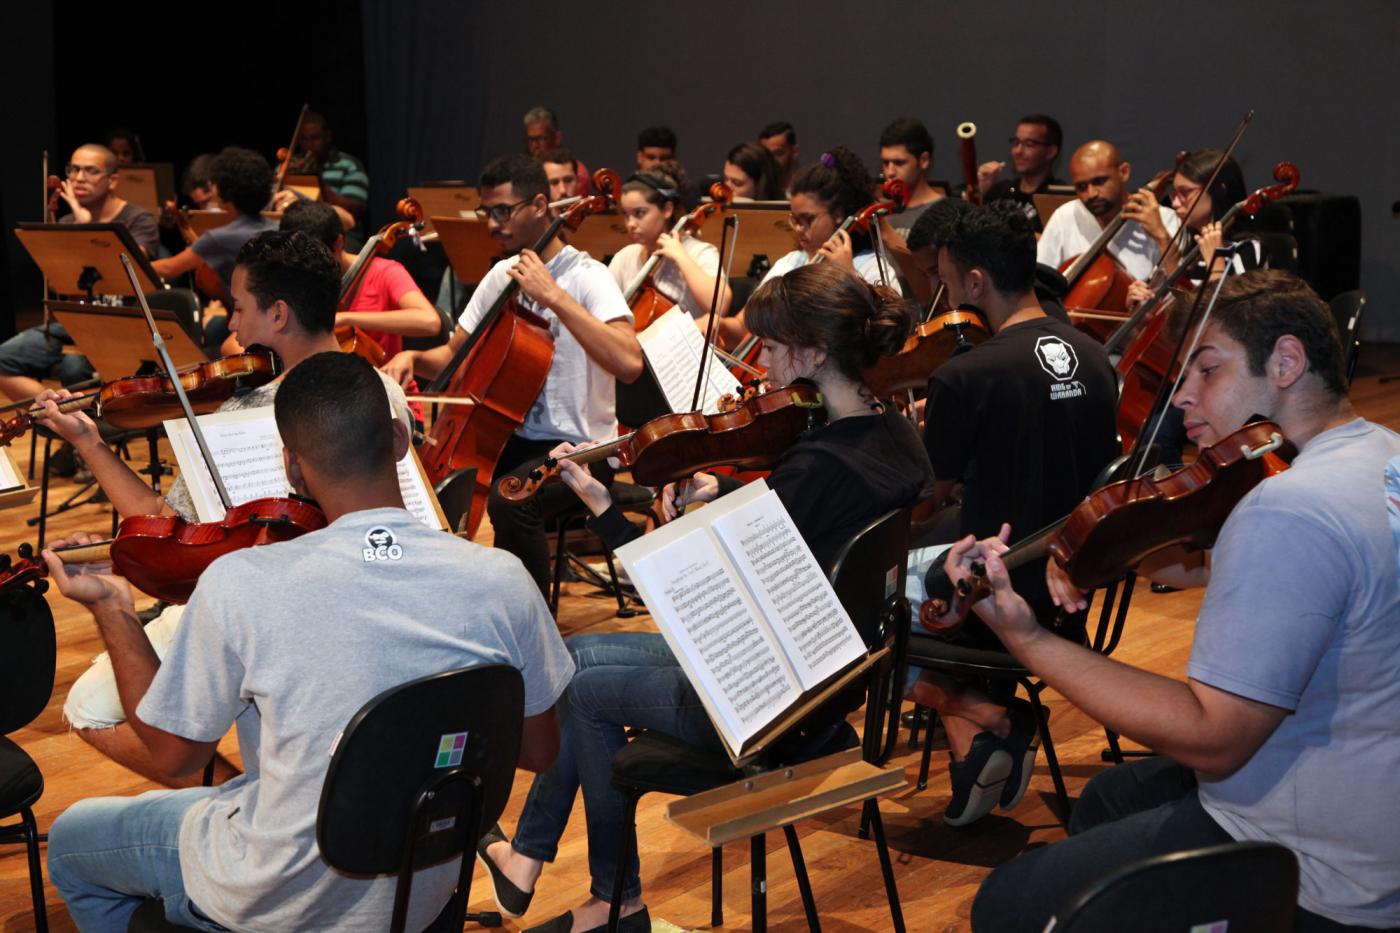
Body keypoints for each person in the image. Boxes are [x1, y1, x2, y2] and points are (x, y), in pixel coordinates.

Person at [43, 351, 574, 932]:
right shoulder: (502, 580)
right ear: (400, 439)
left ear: (292, 468)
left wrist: (113, 607)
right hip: (424, 888)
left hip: (280, 896)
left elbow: (174, 757)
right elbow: (539, 752)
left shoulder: (242, 583)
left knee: (72, 842)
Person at [477, 262, 935, 933]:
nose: (762, 364)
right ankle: (531, 860)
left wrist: (607, 507)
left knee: (583, 687)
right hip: (834, 669)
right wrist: (731, 499)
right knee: (578, 651)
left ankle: (614, 899)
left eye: (773, 348)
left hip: (775, 702)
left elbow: (694, 594)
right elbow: (810, 525)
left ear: (812, 353)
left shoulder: (814, 467)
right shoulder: (892, 434)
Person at [964, 269, 1400, 933]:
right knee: (1112, 795)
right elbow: (1322, 591)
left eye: (1206, 370)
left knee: (1009, 902)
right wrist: (1124, 552)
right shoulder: (1380, 452)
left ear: (1285, 361)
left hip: (1321, 871)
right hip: (1377, 809)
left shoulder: (1289, 508)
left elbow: (1213, 737)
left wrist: (1029, 639)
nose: (1183, 398)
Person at [35, 230, 415, 786]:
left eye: (239, 309)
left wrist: (91, 445)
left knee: (89, 706)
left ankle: (228, 799)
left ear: (279, 314)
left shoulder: (240, 412)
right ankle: (252, 794)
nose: (231, 327)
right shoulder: (380, 390)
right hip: (361, 600)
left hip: (252, 607)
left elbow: (163, 526)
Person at [910, 201, 1119, 826]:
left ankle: (984, 718)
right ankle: (976, 737)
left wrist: (912, 444)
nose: (947, 293)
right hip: (1074, 590)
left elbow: (922, 503)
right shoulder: (1095, 356)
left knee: (855, 595)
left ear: (976, 282)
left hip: (993, 595)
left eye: (948, 280)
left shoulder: (966, 375)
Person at [382, 154, 642, 599]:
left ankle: (530, 624)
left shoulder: (587, 277)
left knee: (510, 498)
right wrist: (412, 360)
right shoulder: (501, 275)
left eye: (504, 211)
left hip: (579, 446)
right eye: (488, 212)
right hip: (508, 438)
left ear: (540, 205)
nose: (492, 223)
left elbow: (630, 362)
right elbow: (455, 353)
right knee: (431, 489)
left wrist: (554, 297)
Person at [0, 143, 159, 405]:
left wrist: (86, 227)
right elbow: (55, 284)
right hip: (74, 324)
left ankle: (83, 429)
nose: (78, 177)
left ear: (112, 180)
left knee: (73, 367)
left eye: (90, 171)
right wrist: (54, 222)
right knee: (4, 359)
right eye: (73, 169)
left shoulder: (138, 220)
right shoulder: (66, 222)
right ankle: (67, 414)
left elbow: (131, 273)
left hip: (121, 326)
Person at [1036, 140, 1179, 282]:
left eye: (1099, 181)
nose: (1091, 193)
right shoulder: (1065, 216)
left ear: (1124, 172)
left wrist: (1161, 236)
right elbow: (1038, 279)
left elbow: (1183, 291)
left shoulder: (1164, 219)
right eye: (1082, 186)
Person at [151, 146, 278, 306]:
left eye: (214, 184)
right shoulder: (277, 226)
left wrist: (123, 265)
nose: (212, 186)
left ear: (225, 190)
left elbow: (169, 268)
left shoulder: (219, 238)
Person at [608, 163, 730, 323]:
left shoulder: (699, 253)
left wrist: (681, 257)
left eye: (639, 213)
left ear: (667, 209)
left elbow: (720, 305)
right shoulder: (624, 257)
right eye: (626, 215)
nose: (630, 224)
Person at [977, 114, 1065, 231]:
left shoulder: (1059, 198)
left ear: (1050, 152)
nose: (1018, 151)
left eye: (1029, 144)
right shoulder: (1000, 192)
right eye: (1016, 142)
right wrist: (980, 192)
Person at [290, 111, 369, 228]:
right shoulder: (290, 165)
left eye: (315, 138)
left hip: (341, 232)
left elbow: (355, 210)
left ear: (328, 137)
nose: (309, 145)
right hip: (296, 230)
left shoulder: (349, 165)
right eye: (304, 139)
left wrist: (317, 182)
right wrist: (289, 177)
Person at [879, 117, 944, 239]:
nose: (889, 172)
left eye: (899, 163)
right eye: (885, 163)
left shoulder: (943, 213)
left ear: (924, 160)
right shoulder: (879, 211)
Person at [525, 107, 593, 195]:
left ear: (557, 138)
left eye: (541, 139)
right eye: (531, 140)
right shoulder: (528, 175)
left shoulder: (576, 172)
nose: (535, 145)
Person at [758, 120, 800, 195]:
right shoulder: (757, 191)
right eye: (766, 154)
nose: (771, 160)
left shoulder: (806, 190)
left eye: (778, 153)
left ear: (794, 152)